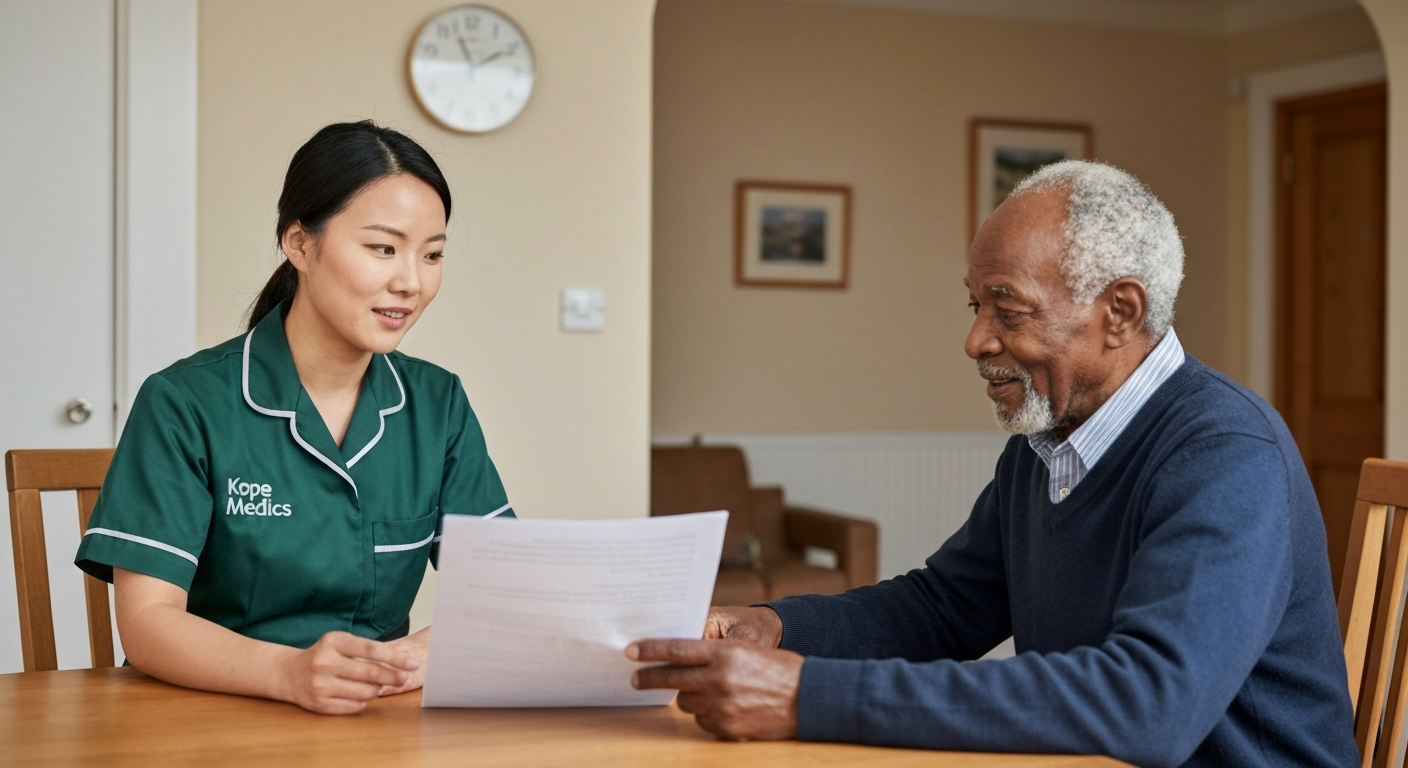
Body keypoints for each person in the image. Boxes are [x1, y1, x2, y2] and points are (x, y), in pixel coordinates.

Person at [628, 161, 1359, 767]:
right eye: (975, 305)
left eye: (1007, 310)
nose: (976, 340)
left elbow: (1148, 703)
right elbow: (944, 608)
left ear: (1121, 313)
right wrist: (775, 629)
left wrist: (802, 695)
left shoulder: (1225, 453)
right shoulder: (1046, 445)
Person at [75, 121, 513, 715]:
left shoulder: (438, 404)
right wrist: (288, 672)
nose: (411, 281)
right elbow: (148, 623)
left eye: (432, 254)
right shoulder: (183, 403)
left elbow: (505, 587)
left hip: (366, 723)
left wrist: (419, 656)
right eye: (383, 248)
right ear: (300, 244)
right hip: (200, 721)